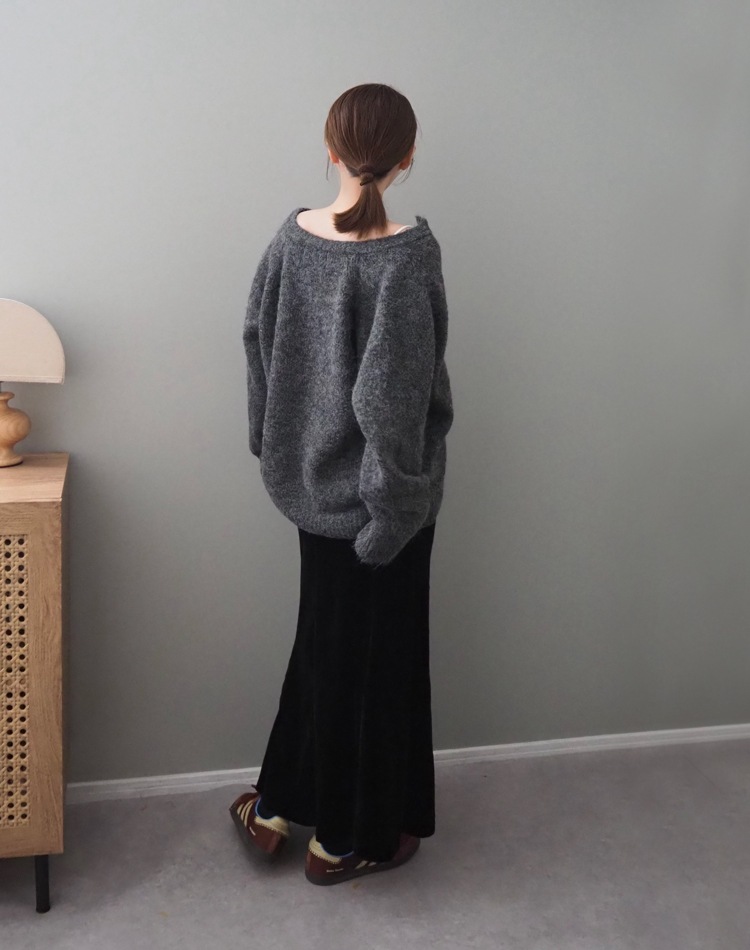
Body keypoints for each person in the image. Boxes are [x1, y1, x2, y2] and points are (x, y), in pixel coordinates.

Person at [229, 82, 454, 886]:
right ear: (408, 156)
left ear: (330, 149)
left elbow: (255, 343)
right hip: (382, 505)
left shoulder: (291, 239)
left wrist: (274, 449)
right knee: (376, 668)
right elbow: (393, 401)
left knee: (326, 647)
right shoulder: (406, 255)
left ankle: (276, 805)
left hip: (310, 491)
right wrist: (393, 514)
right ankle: (345, 842)